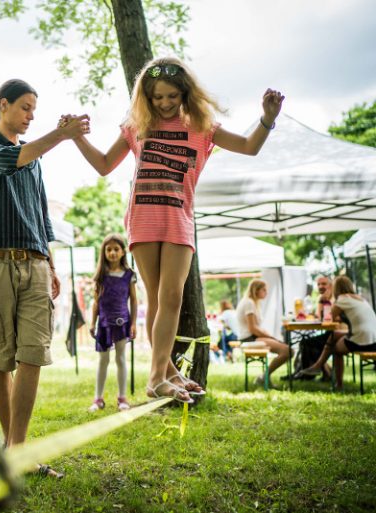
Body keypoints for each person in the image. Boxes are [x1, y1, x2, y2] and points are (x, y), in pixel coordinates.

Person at [64, 57, 284, 402]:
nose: (164, 103)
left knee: (172, 297)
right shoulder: (136, 126)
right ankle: (163, 374)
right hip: (144, 217)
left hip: (179, 218)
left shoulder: (202, 126)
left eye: (171, 96)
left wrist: (267, 119)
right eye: (156, 97)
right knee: (157, 298)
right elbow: (105, 165)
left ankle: (159, 376)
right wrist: (77, 138)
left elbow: (248, 147)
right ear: (146, 98)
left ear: (185, 93)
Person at [0, 77, 87, 478]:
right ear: (3, 105)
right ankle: (10, 446)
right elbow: (12, 160)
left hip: (36, 263)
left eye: (34, 109)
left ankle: (18, 448)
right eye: (25, 107)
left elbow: (40, 213)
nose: (30, 116)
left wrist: (50, 264)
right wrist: (63, 133)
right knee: (3, 356)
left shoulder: (34, 157)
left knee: (33, 353)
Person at [88, 234, 137, 412]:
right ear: (104, 252)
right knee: (103, 360)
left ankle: (122, 398)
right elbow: (95, 302)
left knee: (121, 358)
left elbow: (134, 300)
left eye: (116, 249)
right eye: (109, 249)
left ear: (123, 252)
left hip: (122, 321)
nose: (113, 253)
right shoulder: (101, 276)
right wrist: (92, 323)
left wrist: (133, 323)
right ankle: (98, 399)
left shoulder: (129, 275)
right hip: (104, 323)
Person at [300, 276, 376, 389]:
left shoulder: (342, 299)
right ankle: (318, 366)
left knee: (336, 350)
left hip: (362, 341)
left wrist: (324, 301)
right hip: (373, 339)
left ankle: (338, 384)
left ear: (336, 288)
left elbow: (329, 317)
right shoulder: (360, 298)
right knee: (334, 335)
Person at [235, 279, 291, 387]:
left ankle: (264, 376)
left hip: (252, 336)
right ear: (256, 290)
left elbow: (255, 327)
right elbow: (252, 328)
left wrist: (270, 336)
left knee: (288, 350)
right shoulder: (249, 303)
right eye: (264, 290)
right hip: (250, 338)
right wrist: (270, 337)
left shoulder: (252, 302)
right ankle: (264, 377)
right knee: (287, 350)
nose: (266, 292)